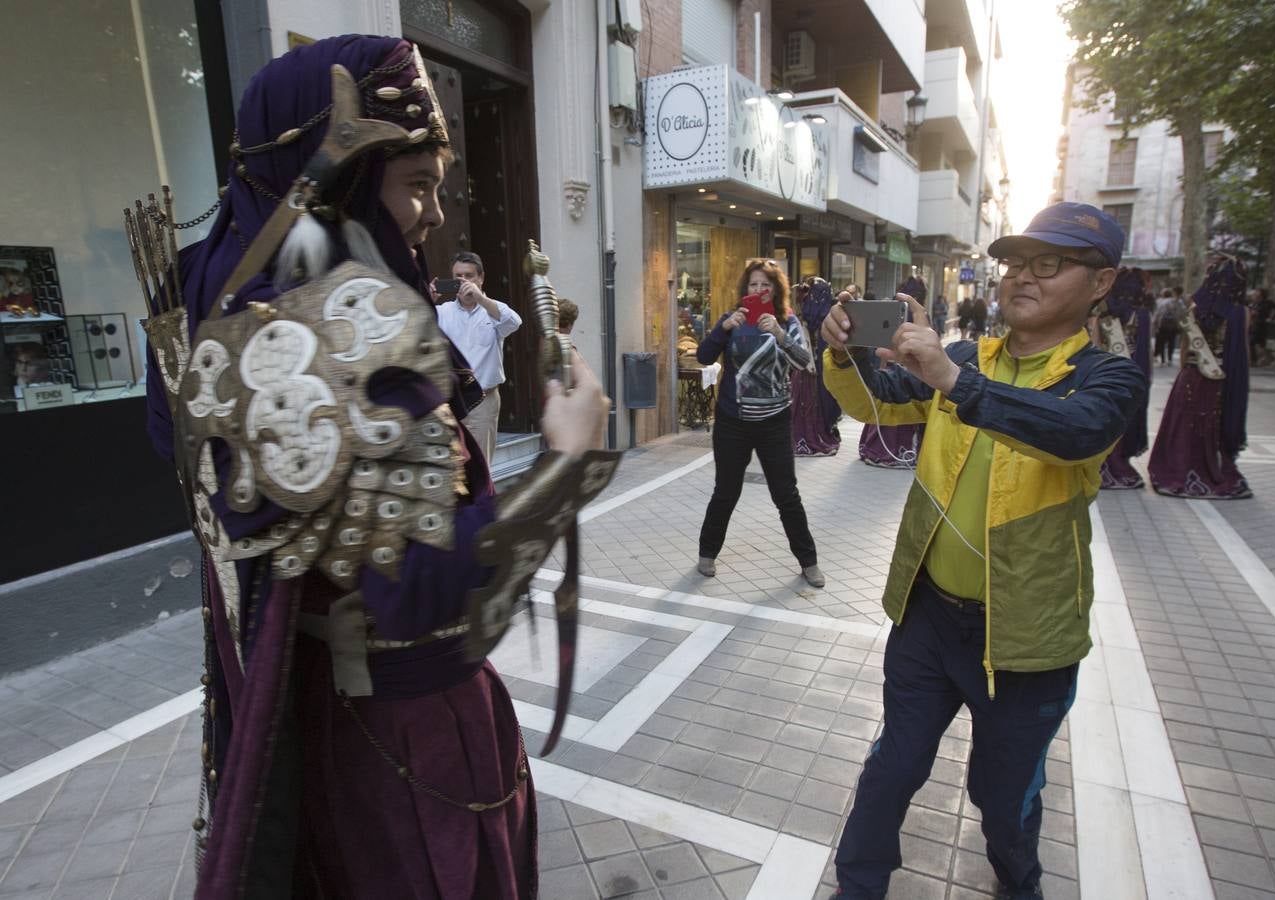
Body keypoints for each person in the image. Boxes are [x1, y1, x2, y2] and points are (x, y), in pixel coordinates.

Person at [138, 36, 613, 897]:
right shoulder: (359, 335)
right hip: (407, 739)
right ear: (335, 183)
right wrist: (569, 463)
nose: (435, 214)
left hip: (302, 714)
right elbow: (435, 597)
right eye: (416, 185)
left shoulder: (201, 302)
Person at [820, 202, 1145, 900]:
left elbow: (1074, 433)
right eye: (1015, 263)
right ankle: (856, 886)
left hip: (1026, 642)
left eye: (1048, 263)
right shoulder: (965, 357)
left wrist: (953, 382)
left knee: (1002, 799)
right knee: (891, 767)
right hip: (928, 620)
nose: (1022, 277)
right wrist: (843, 350)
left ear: (1100, 282)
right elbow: (877, 400)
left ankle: (1017, 883)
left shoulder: (1107, 378)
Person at [696, 258, 823, 587]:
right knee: (726, 491)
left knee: (786, 494)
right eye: (752, 284)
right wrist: (723, 328)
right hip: (732, 421)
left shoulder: (787, 321)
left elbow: (805, 362)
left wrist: (780, 334)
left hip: (773, 422)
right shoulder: (732, 320)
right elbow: (703, 357)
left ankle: (808, 561)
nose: (758, 289)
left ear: (775, 289)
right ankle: (706, 554)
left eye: (764, 284)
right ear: (745, 289)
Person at [1147, 257, 1252, 499]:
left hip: (1192, 375)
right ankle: (1211, 469)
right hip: (1221, 378)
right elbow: (1242, 353)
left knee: (1184, 423)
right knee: (1212, 425)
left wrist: (1185, 372)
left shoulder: (1195, 310)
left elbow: (1185, 348)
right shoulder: (1241, 313)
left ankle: (1178, 469)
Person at [435, 250, 523, 467]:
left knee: (481, 466)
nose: (463, 281)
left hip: (483, 400)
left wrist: (481, 298)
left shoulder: (493, 311)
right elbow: (417, 329)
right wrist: (427, 300)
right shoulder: (442, 311)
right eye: (458, 276)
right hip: (450, 400)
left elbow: (514, 322)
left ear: (481, 278)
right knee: (450, 465)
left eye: (469, 276)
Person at [858, 276, 927, 469]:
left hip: (894, 366)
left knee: (890, 404)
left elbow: (886, 343)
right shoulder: (922, 315)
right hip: (915, 371)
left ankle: (881, 448)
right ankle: (902, 450)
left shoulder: (896, 312)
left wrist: (882, 366)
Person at [1093, 268, 1153, 489]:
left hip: (1105, 374)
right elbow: (1146, 350)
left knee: (1105, 416)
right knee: (1126, 417)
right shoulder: (1142, 315)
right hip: (1131, 375)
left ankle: (1101, 463)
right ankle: (1120, 464)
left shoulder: (1104, 315)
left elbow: (1096, 346)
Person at [790, 277, 843, 457]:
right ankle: (816, 433)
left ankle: (814, 432)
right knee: (814, 400)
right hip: (810, 365)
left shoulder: (806, 313)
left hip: (807, 366)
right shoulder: (818, 316)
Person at [1248, 288, 1275, 366]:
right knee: (1257, 343)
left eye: (1257, 292)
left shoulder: (1268, 302)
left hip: (1262, 324)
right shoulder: (1255, 303)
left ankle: (1258, 359)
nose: (1255, 294)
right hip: (1255, 324)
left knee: (1255, 342)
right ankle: (1266, 357)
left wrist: (1271, 318)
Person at [1153, 287, 1181, 365]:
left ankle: (1162, 360)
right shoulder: (1177, 302)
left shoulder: (1160, 302)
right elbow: (1180, 314)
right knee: (1171, 343)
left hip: (1163, 325)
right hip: (1173, 326)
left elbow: (1157, 313)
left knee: (1161, 342)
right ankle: (1170, 359)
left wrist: (1154, 324)